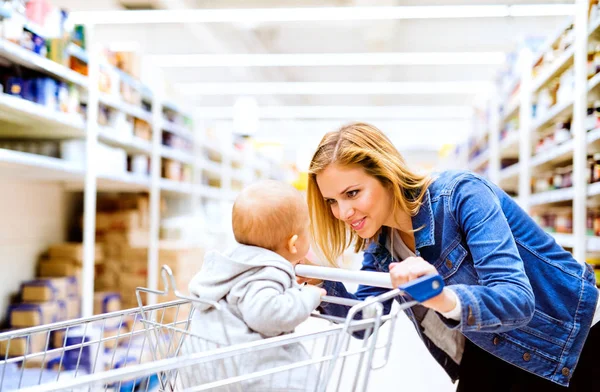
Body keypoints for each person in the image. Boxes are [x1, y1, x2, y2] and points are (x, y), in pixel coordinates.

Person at [302, 122, 599, 391]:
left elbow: (517, 299)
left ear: (385, 174)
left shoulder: (461, 195)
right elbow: (365, 321)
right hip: (492, 341)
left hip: (569, 335)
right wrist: (323, 283)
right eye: (331, 201)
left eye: (352, 193)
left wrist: (441, 297)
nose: (342, 213)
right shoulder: (382, 242)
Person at [187, 180, 326, 392]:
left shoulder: (233, 264)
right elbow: (266, 314)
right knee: (304, 380)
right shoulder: (267, 271)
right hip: (248, 377)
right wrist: (308, 296)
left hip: (209, 372)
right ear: (294, 243)